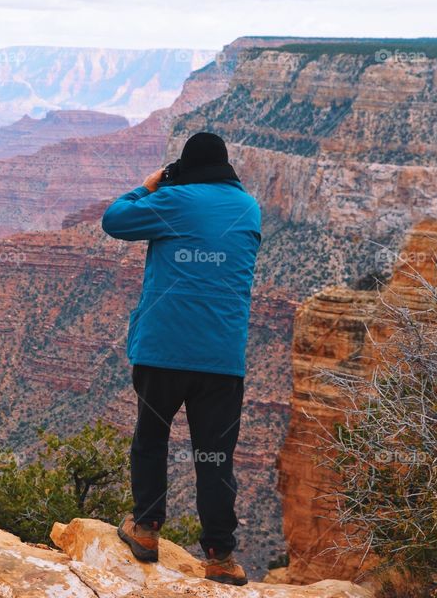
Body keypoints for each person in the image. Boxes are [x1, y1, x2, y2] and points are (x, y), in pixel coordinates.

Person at [100, 132, 261, 586]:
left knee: (151, 438)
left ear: (184, 168)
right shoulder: (249, 207)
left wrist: (150, 186)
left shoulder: (173, 199)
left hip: (163, 351)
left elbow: (114, 220)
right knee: (215, 458)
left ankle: (146, 530)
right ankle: (220, 556)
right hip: (221, 358)